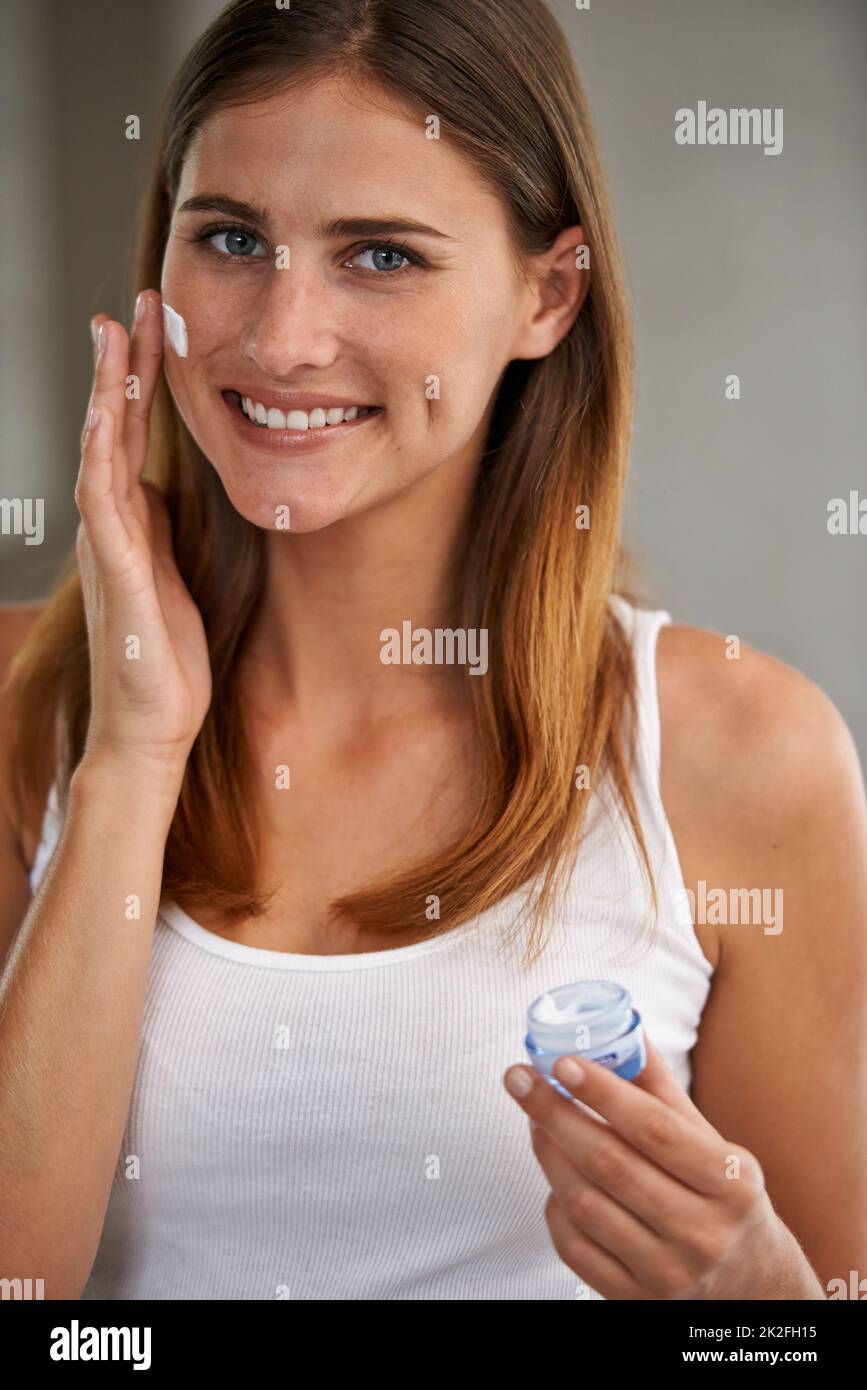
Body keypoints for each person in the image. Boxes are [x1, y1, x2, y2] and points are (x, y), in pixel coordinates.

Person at [0, 0, 864, 1301]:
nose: (282, 336)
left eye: (383, 257)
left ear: (547, 294)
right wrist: (132, 752)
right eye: (231, 237)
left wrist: (757, 1296)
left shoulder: (742, 754)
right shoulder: (24, 703)